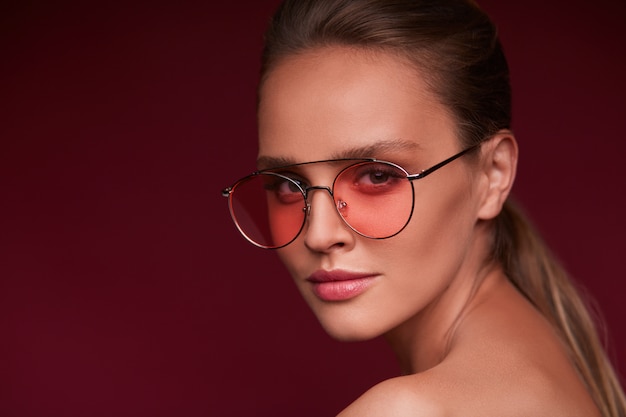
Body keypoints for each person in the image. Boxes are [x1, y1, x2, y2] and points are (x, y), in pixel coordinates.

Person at [221, 0, 626, 415]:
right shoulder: (544, 360)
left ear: (493, 174)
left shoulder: (409, 409)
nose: (319, 234)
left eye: (377, 176)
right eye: (288, 184)